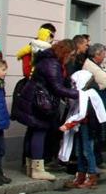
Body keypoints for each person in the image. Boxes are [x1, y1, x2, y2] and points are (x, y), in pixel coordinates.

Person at [16, 39, 79, 180]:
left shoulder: (46, 59)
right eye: (71, 54)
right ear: (65, 52)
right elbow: (57, 87)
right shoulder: (52, 63)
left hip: (32, 99)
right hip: (40, 103)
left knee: (33, 131)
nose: (71, 58)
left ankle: (29, 166)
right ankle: (37, 169)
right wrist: (78, 94)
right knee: (40, 131)